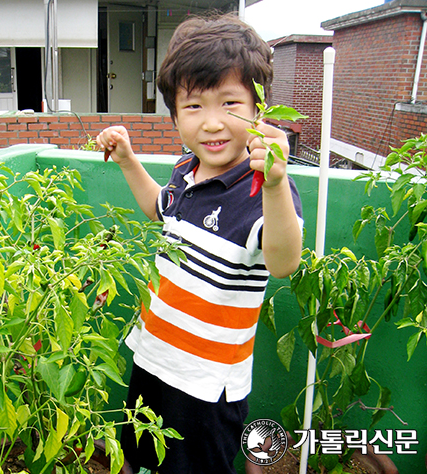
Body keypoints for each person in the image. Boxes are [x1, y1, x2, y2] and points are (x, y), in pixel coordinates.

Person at [96, 12, 303, 474]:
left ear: (257, 111)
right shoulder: (185, 171)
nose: (212, 123)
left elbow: (284, 261)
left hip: (207, 387)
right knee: (136, 452)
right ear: (174, 114)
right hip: (153, 358)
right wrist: (128, 159)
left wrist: (274, 184)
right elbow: (159, 209)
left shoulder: (261, 187)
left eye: (230, 104)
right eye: (194, 107)